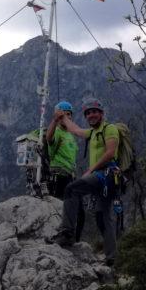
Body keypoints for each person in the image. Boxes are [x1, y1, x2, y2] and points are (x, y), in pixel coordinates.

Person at [51, 97, 120, 265]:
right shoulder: (93, 132)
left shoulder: (110, 129)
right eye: (88, 113)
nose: (92, 115)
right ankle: (112, 258)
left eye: (95, 112)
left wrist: (90, 169)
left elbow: (110, 153)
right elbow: (75, 130)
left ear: (102, 113)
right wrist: (62, 118)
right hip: (104, 179)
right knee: (103, 218)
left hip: (106, 174)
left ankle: (67, 233)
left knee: (71, 189)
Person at [43, 101, 78, 199]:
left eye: (68, 114)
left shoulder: (70, 134)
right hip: (58, 175)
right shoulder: (57, 131)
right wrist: (55, 120)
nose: (66, 117)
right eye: (62, 114)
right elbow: (49, 138)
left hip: (70, 175)